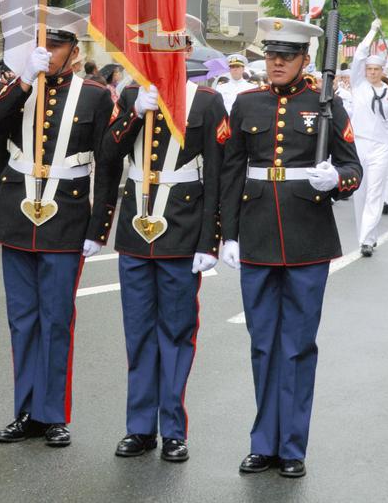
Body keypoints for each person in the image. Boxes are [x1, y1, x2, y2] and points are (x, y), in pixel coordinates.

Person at [220, 17, 362, 480]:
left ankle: (292, 445)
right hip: (257, 234)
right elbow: (230, 172)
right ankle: (263, 442)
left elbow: (352, 167)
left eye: (287, 56)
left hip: (307, 238)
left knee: (298, 346)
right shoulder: (246, 105)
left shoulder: (326, 105)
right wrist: (227, 234)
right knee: (263, 345)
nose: (276, 62)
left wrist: (336, 180)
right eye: (271, 54)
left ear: (305, 60)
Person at [0, 12, 118, 448]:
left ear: (74, 53)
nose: (48, 53)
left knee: (56, 320)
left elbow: (108, 163)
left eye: (56, 46)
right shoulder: (19, 88)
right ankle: (24, 412)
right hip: (16, 215)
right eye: (43, 45)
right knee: (22, 320)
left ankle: (52, 413)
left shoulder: (96, 95)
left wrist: (99, 228)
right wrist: (24, 81)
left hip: (67, 216)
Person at [99, 38, 228, 464]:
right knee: (138, 333)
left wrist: (211, 241)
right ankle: (139, 427)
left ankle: (172, 429)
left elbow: (218, 175)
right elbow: (108, 153)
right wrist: (133, 115)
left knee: (175, 333)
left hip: (182, 229)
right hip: (137, 230)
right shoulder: (134, 94)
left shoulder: (206, 102)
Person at [349, 21, 388, 255]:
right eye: (369, 69)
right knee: (359, 192)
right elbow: (360, 54)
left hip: (382, 147)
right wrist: (372, 31)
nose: (372, 72)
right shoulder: (358, 84)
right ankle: (365, 234)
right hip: (359, 143)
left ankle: (367, 240)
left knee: (375, 192)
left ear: (383, 72)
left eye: (376, 70)